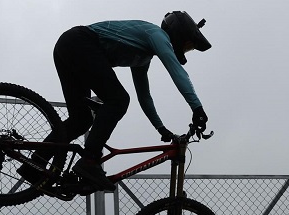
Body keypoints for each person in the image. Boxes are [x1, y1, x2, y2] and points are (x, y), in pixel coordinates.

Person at [20, 11, 211, 191]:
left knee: (81, 119)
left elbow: (144, 96)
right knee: (118, 100)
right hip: (80, 42)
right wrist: (198, 108)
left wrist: (160, 128)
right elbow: (177, 71)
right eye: (188, 45)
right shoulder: (157, 34)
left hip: (69, 46)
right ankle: (90, 161)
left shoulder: (143, 56)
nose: (187, 50)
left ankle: (35, 163)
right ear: (178, 34)